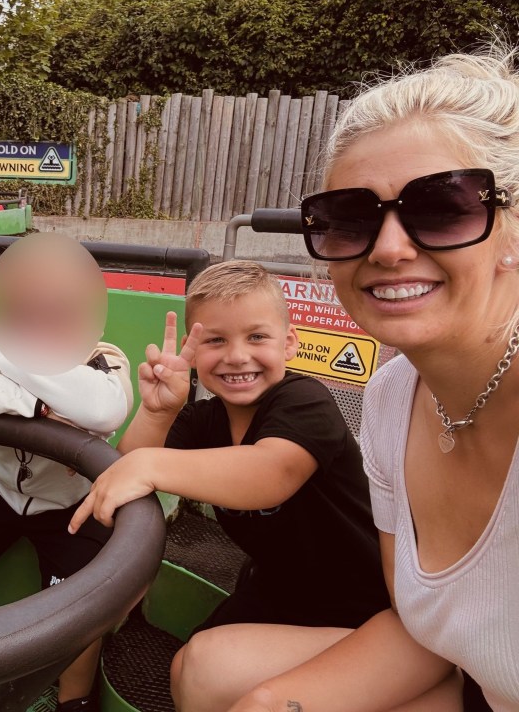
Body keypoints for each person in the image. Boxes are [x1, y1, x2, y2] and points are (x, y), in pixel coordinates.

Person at [221, 46, 519, 712]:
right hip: (470, 683)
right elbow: (425, 629)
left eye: (443, 207)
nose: (387, 249)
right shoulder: (392, 396)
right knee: (214, 676)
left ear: (512, 232)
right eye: (349, 220)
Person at [68, 260, 391, 710]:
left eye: (257, 337)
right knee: (186, 669)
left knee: (206, 670)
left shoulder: (306, 402)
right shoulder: (204, 421)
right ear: (193, 350)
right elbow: (124, 475)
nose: (237, 356)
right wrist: (158, 413)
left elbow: (269, 474)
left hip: (365, 610)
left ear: (290, 344)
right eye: (216, 340)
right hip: (279, 588)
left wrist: (150, 464)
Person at [0, 232, 133, 712]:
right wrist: (37, 406)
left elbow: (102, 408)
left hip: (71, 501)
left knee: (77, 611)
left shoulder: (104, 353)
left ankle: (74, 700)